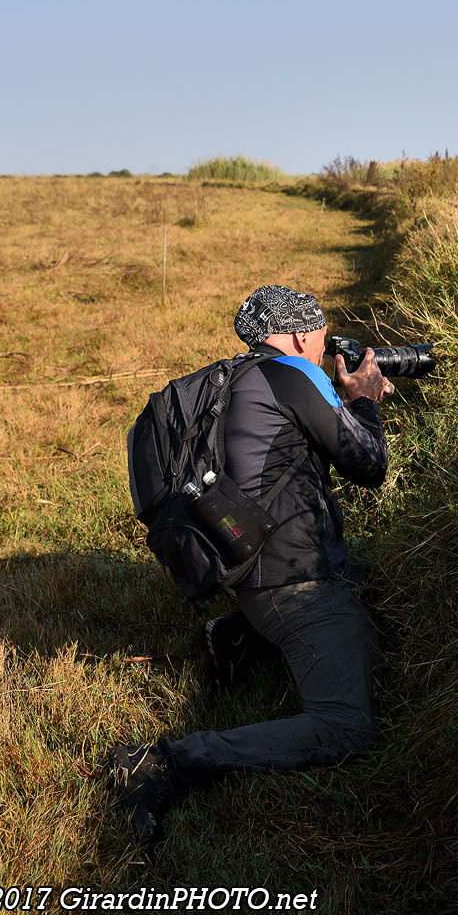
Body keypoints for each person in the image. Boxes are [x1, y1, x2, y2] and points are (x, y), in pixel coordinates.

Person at [107, 285, 395, 845]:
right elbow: (369, 464)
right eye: (321, 338)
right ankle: (167, 760)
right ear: (296, 335)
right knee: (348, 727)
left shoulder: (237, 378)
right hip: (296, 587)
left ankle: (240, 636)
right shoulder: (294, 372)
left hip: (253, 580)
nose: (324, 351)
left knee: (368, 579)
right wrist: (362, 401)